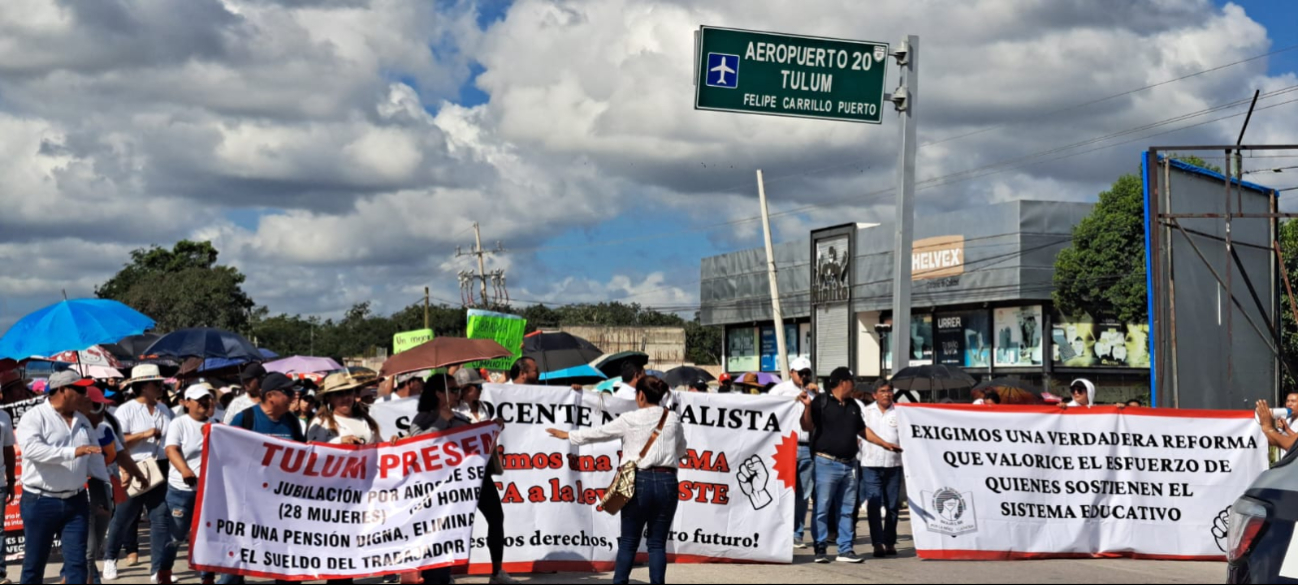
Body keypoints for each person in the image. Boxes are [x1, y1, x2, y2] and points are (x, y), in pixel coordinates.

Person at [546, 377, 686, 585]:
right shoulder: (672, 418)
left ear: (640, 395)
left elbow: (599, 433)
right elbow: (681, 450)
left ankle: (620, 581)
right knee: (657, 544)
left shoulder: (630, 419)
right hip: (667, 481)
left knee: (629, 541)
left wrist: (568, 435)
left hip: (637, 480)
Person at [798, 367, 900, 564]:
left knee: (847, 509)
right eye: (851, 381)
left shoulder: (853, 405)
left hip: (849, 465)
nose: (854, 385)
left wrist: (885, 444)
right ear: (842, 382)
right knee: (822, 507)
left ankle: (845, 549)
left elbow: (862, 431)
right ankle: (820, 548)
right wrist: (808, 407)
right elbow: (807, 426)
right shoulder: (821, 401)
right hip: (826, 463)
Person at [16, 371, 100, 584]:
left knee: (77, 564)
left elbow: (94, 454)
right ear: (62, 390)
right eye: (80, 390)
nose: (85, 395)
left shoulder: (83, 420)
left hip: (76, 501)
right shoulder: (34, 417)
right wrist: (72, 452)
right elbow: (33, 450)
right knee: (35, 564)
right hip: (40, 502)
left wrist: (105, 487)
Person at [400, 374, 478, 584]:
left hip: (452, 497)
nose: (457, 394)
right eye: (452, 390)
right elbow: (418, 446)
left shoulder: (461, 419)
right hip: (427, 497)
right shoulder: (422, 419)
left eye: (458, 389)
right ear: (438, 393)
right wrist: (441, 421)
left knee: (446, 546)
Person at [104, 364, 176, 583]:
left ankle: (158, 569)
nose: (161, 387)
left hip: (161, 466)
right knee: (124, 516)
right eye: (157, 384)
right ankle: (110, 558)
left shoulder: (164, 409)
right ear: (144, 387)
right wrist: (144, 434)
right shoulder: (126, 410)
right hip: (134, 466)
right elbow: (119, 441)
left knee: (160, 518)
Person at [76, 384, 145, 585]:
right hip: (81, 490)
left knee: (93, 549)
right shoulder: (73, 430)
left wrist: (136, 473)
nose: (104, 411)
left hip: (103, 489)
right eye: (99, 406)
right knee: (87, 551)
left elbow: (121, 453)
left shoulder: (106, 428)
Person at [452, 368, 516, 584]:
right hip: (459, 476)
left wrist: (495, 425)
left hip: (482, 473)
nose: (480, 390)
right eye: (477, 387)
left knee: (496, 518)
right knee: (454, 523)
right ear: (465, 390)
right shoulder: (451, 411)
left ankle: (497, 571)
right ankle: (446, 572)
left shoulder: (484, 408)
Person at [161, 383, 218, 585]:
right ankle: (164, 572)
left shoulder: (215, 424)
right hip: (181, 490)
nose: (204, 402)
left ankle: (207, 577)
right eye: (199, 399)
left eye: (207, 398)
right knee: (176, 535)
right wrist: (184, 469)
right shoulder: (179, 423)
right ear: (186, 403)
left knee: (206, 535)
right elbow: (171, 450)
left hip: (208, 490)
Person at [768, 357, 817, 549]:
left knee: (803, 494)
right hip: (783, 446)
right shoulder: (780, 390)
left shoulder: (814, 393)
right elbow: (766, 409)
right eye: (800, 373)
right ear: (791, 372)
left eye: (807, 373)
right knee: (780, 490)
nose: (804, 376)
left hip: (806, 445)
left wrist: (816, 394)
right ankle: (777, 531)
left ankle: (797, 533)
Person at [857, 384, 902, 558]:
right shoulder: (865, 412)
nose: (887, 394)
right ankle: (877, 542)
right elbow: (858, 434)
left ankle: (889, 541)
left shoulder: (900, 412)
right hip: (871, 463)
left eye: (889, 391)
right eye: (882, 391)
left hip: (894, 464)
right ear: (874, 395)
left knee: (891, 505)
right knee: (874, 504)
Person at [307, 372, 381, 445]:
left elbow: (379, 447)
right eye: (339, 394)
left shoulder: (367, 420)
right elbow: (314, 450)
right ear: (328, 398)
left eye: (349, 392)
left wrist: (391, 443)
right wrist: (340, 441)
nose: (346, 398)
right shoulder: (321, 423)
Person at [229, 373, 306, 442]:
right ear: (270, 396)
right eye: (288, 392)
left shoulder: (292, 421)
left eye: (293, 392)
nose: (293, 397)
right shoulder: (245, 419)